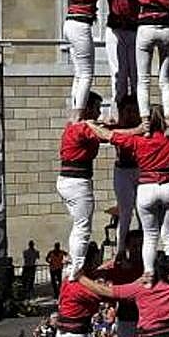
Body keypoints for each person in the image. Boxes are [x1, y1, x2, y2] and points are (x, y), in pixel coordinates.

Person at [88, 107, 169, 277]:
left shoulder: (138, 140)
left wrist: (89, 125)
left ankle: (148, 275)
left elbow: (108, 136)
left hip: (146, 187)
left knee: (150, 236)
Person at [55, 91, 103, 279]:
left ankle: (75, 263)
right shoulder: (82, 128)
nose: (99, 113)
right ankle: (77, 267)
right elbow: (108, 136)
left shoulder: (73, 126)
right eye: (97, 108)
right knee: (83, 226)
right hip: (78, 182)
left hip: (68, 180)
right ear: (88, 108)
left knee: (78, 225)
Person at [63, 0, 112, 120]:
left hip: (72, 24)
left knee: (79, 73)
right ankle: (78, 115)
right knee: (86, 73)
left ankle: (75, 110)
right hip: (80, 25)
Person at [96, 229, 144, 337]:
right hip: (126, 318)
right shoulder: (119, 266)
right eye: (134, 245)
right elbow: (99, 273)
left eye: (140, 245)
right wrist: (115, 261)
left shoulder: (150, 265)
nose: (137, 249)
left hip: (148, 318)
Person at [104, 0, 139, 125]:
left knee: (135, 72)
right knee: (118, 72)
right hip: (116, 30)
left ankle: (138, 108)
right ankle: (118, 110)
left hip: (133, 31)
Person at [111, 95, 142, 251]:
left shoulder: (142, 127)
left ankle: (144, 246)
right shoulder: (117, 128)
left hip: (139, 170)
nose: (131, 115)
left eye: (134, 111)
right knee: (125, 213)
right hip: (123, 171)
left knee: (143, 210)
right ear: (122, 112)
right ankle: (121, 249)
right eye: (128, 111)